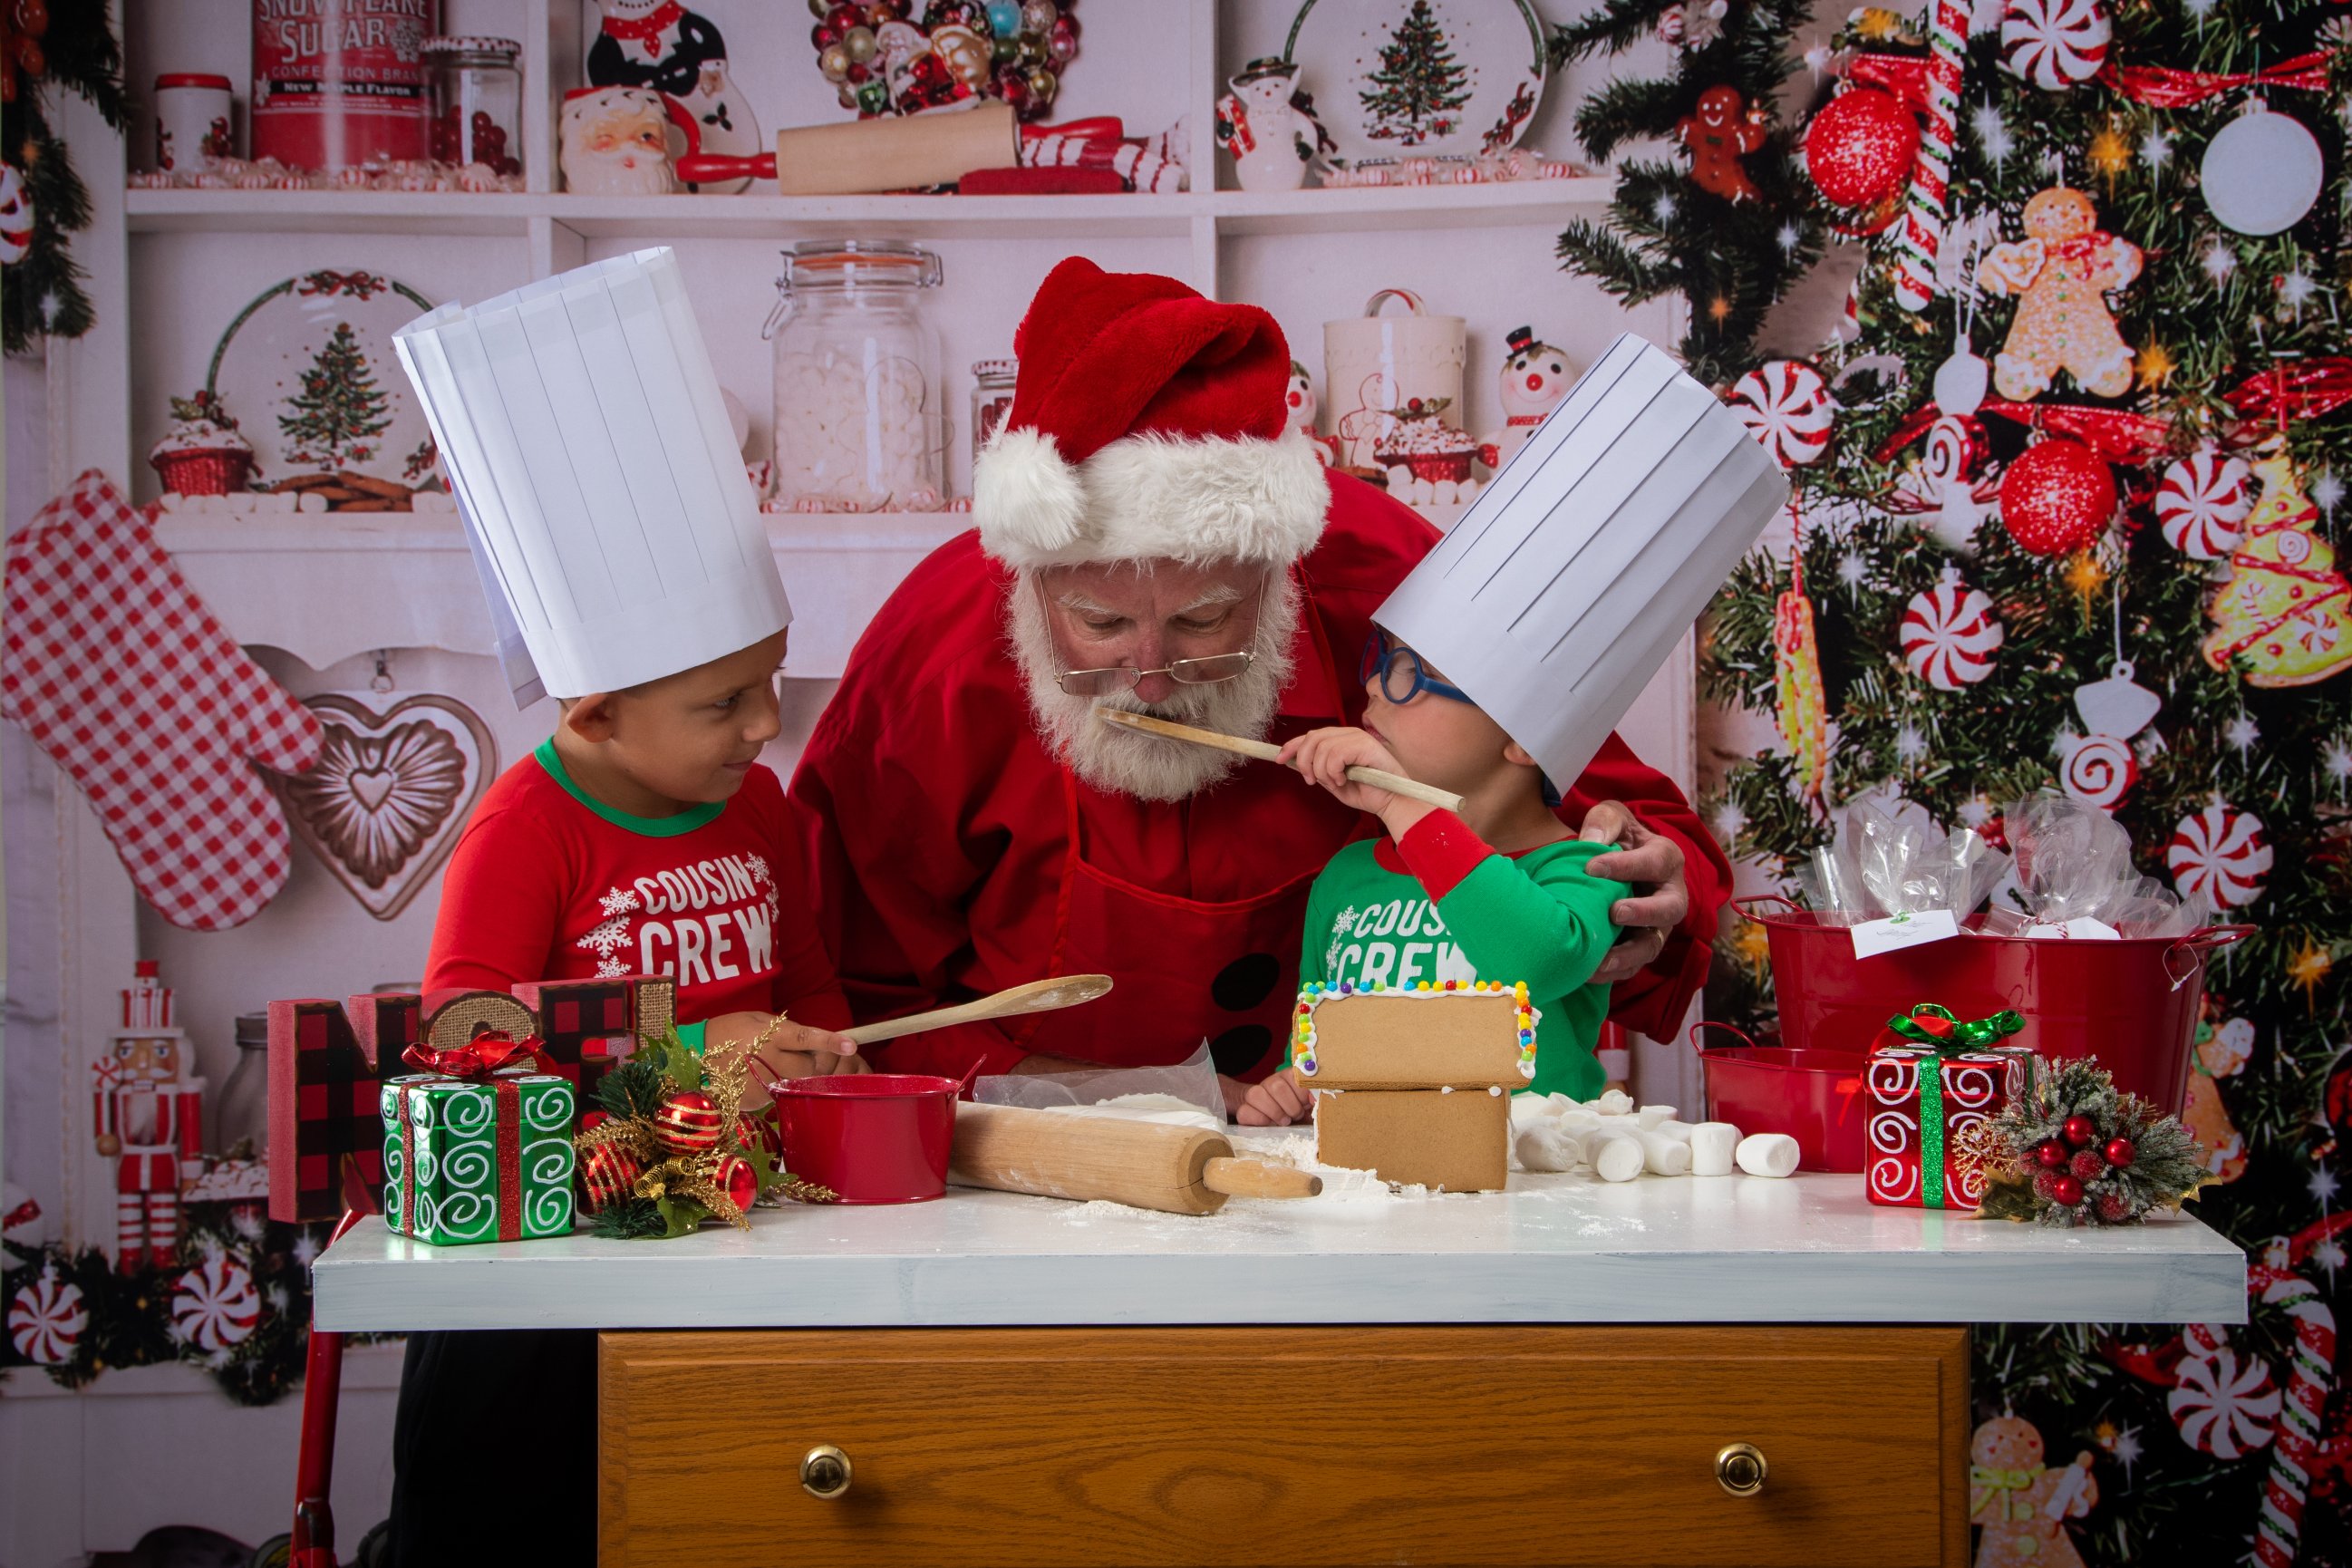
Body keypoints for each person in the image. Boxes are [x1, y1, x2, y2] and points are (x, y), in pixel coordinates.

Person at [791, 258, 1729, 1111]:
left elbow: (1627, 824)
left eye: (1202, 619)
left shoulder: (1385, 584)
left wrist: (1652, 886)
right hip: (1021, 1147)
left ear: (1280, 573)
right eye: (1103, 623)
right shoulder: (939, 652)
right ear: (1031, 581)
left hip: (1353, 1156)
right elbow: (833, 974)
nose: (1151, 675)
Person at [387, 248, 855, 1567]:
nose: (766, 725)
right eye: (723, 703)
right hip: (558, 1281)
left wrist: (825, 1057)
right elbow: (464, 1056)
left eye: (767, 680)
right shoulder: (522, 831)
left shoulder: (758, 810)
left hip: (744, 1234)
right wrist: (681, 1065)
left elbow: (807, 978)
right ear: (591, 707)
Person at [1238, 634, 1626, 1125]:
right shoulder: (1348, 876)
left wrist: (1401, 804)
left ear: (1525, 738)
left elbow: (1537, 962)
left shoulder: (1585, 867)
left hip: (1531, 1187)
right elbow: (1315, 1048)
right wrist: (1290, 1089)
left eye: (1417, 672)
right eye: (1385, 661)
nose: (1377, 685)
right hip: (1369, 1183)